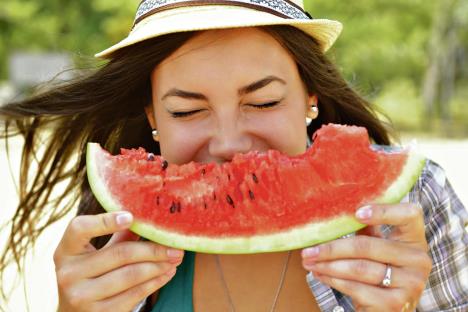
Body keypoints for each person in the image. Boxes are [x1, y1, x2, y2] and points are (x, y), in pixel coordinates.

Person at [1, 0, 466, 311]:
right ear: (153, 115)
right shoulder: (114, 233)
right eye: (186, 110)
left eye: (263, 102)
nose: (229, 144)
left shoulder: (413, 201)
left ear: (311, 97)